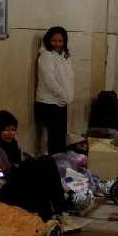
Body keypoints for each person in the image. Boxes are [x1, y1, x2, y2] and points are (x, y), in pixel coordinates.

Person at [35, 26, 74, 155]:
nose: (57, 44)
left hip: (61, 102)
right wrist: (63, 95)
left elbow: (68, 78)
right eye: (54, 40)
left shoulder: (64, 55)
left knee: (60, 138)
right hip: (48, 103)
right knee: (53, 140)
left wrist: (66, 97)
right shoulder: (46, 56)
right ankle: (53, 167)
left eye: (60, 41)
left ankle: (60, 166)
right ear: (48, 40)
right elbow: (49, 80)